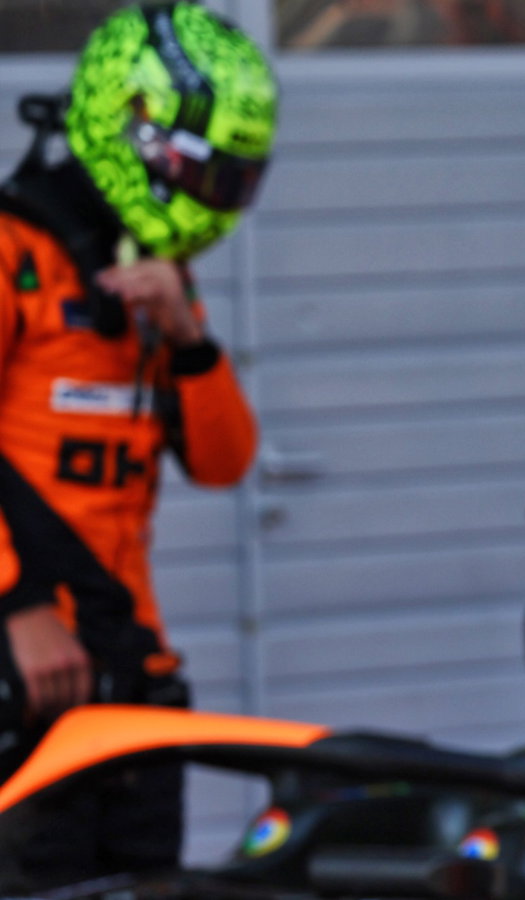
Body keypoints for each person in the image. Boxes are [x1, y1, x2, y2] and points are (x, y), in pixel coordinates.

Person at [0, 2, 273, 889]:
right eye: (207, 174)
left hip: (130, 669)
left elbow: (224, 461)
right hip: (28, 672)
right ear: (136, 129)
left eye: (236, 182)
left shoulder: (156, 280)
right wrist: (19, 609)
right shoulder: (13, 250)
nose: (215, 200)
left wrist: (188, 336)